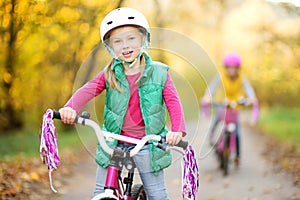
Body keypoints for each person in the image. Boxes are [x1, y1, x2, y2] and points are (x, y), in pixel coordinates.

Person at [58, 7, 186, 200]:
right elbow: (89, 88)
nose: (125, 46)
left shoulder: (159, 72)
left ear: (143, 39)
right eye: (118, 41)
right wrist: (70, 107)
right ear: (110, 47)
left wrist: (177, 130)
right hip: (114, 141)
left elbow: (173, 102)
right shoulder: (110, 72)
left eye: (131, 38)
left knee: (157, 194)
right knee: (101, 192)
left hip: (147, 143)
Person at [201, 52, 258, 165]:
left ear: (238, 68)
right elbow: (211, 87)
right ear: (226, 68)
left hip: (235, 106)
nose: (231, 70)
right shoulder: (220, 76)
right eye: (229, 68)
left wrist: (252, 98)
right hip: (222, 105)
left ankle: (237, 155)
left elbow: (248, 89)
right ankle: (213, 141)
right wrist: (207, 96)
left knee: (236, 133)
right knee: (215, 125)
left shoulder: (242, 78)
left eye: (234, 68)